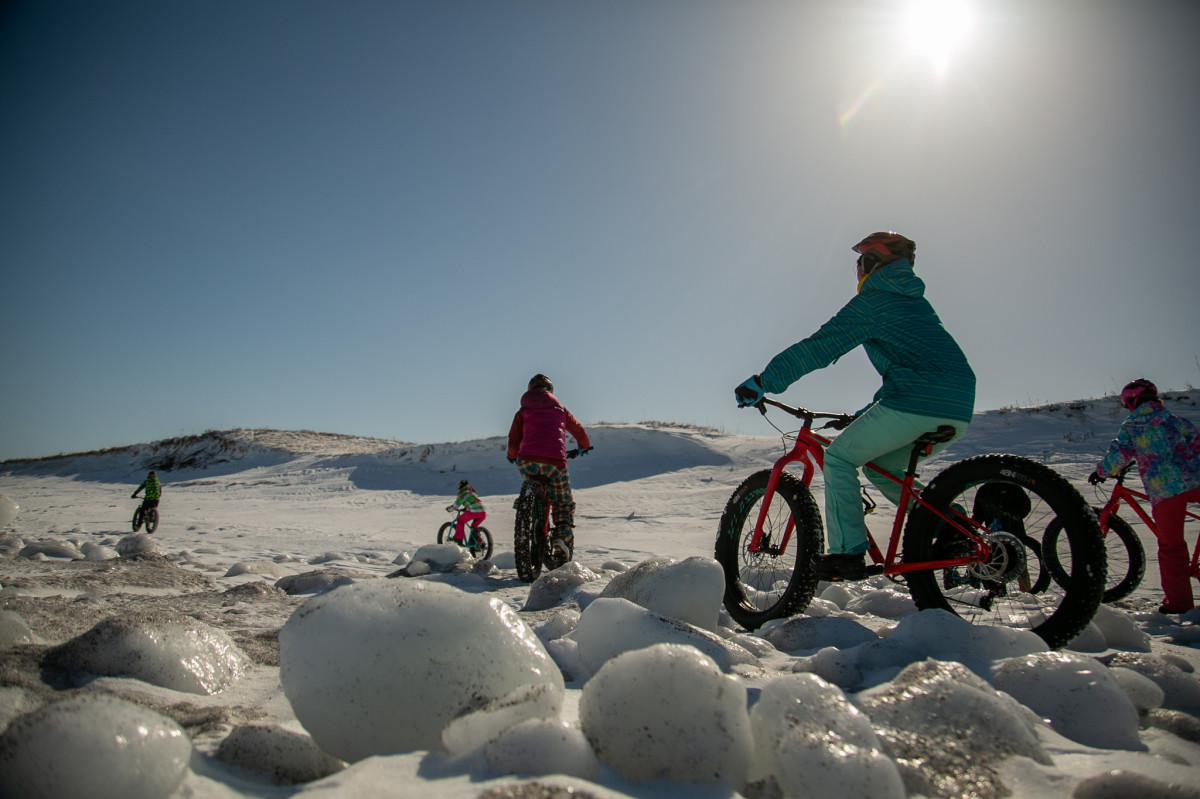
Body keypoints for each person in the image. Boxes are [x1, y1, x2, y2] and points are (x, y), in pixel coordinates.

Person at [734, 231, 976, 581]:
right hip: (956, 404)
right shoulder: (914, 302)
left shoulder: (875, 300)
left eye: (860, 263)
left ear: (872, 264)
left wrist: (764, 381)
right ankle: (954, 528)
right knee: (880, 466)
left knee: (839, 457)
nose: (858, 271)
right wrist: (865, 415)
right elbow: (912, 367)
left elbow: (819, 347)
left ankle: (847, 554)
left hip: (914, 401)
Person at [1089, 379, 1200, 614]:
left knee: (1172, 547)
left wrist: (1101, 472)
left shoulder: (1133, 425)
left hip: (1166, 488)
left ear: (1131, 401)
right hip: (1196, 480)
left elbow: (1118, 456)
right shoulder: (1174, 419)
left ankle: (1179, 604)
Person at [507, 374, 592, 561]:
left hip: (527, 461)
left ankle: (525, 505)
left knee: (530, 481)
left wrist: (512, 456)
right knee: (562, 502)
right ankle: (561, 537)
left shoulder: (522, 411)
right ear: (550, 391)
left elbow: (513, 438)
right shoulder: (560, 410)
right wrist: (583, 446)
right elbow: (578, 430)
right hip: (555, 463)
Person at [446, 479, 486, 544]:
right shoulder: (471, 492)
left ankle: (458, 539)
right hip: (482, 513)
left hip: (473, 512)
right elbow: (473, 502)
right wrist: (466, 508)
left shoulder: (462, 494)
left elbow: (455, 506)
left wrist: (449, 509)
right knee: (474, 528)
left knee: (460, 520)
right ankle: (478, 543)